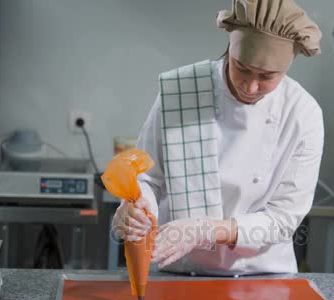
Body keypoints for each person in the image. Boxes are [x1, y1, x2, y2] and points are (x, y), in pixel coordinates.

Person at [113, 0, 323, 275]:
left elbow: (283, 219)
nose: (250, 86)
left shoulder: (302, 114)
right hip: (176, 267)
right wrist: (136, 206)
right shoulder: (181, 90)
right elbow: (148, 177)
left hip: (259, 273)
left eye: (267, 77)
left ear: (285, 70)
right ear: (229, 50)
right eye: (242, 68)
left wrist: (205, 230)